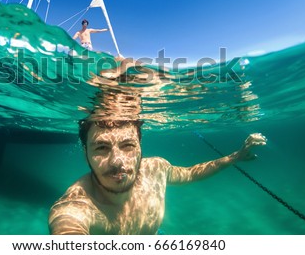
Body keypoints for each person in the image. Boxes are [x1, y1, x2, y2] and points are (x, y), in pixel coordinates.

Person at [48, 60, 267, 235]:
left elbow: (190, 174)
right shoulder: (77, 205)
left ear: (140, 146)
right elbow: (67, 229)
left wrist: (236, 156)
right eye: (101, 148)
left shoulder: (157, 169)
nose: (117, 161)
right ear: (84, 151)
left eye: (127, 145)